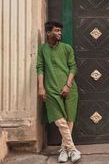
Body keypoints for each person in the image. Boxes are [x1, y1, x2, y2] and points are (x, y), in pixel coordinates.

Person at [36, 21, 81, 163]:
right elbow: (40, 67)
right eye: (56, 30)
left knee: (69, 121)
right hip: (51, 90)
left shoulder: (67, 48)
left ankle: (63, 150)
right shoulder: (42, 49)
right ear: (48, 33)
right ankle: (72, 149)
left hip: (70, 89)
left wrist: (68, 86)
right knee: (60, 122)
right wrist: (41, 87)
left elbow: (73, 67)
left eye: (60, 31)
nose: (59, 33)